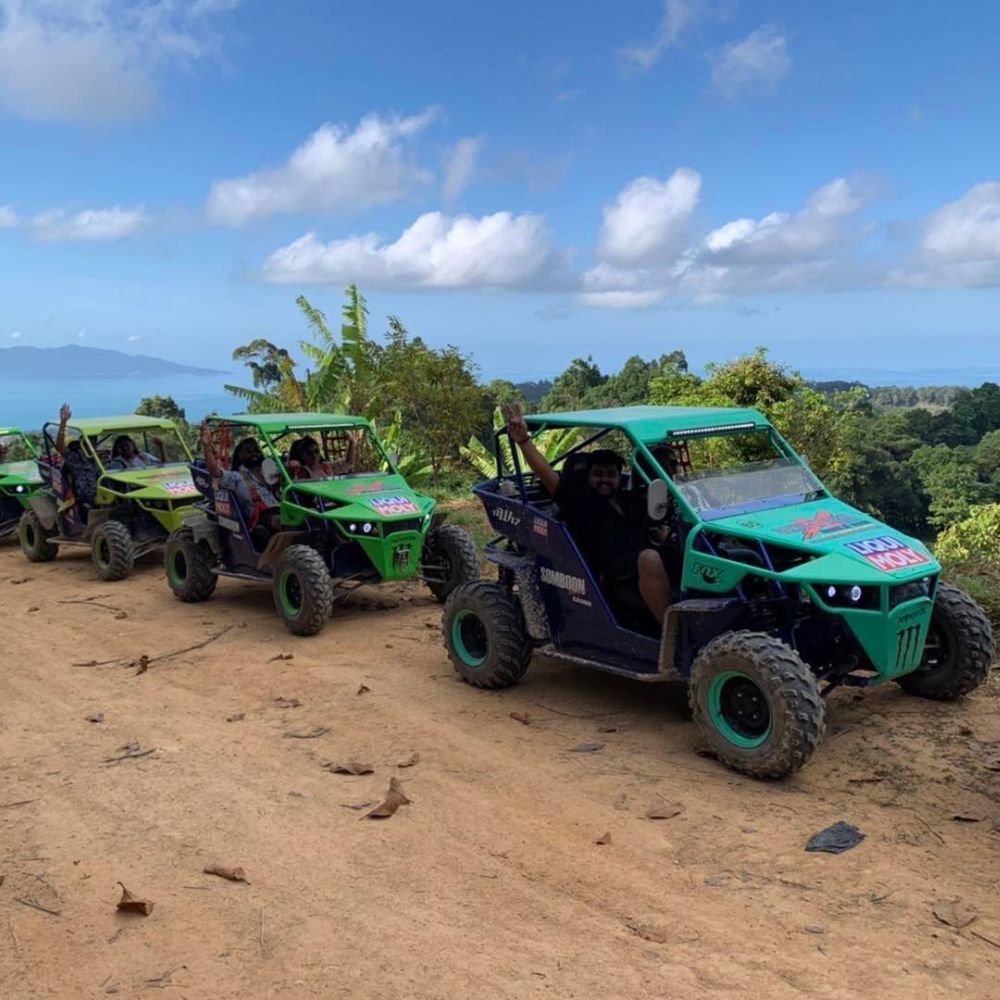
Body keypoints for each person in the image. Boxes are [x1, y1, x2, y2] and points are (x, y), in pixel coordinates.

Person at [506, 403, 673, 624]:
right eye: (598, 474)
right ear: (589, 476)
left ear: (618, 477)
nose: (604, 480)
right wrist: (524, 441)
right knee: (649, 558)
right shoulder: (580, 502)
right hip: (612, 575)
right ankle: (674, 638)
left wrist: (664, 534)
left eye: (610, 475)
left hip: (641, 564)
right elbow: (546, 474)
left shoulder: (631, 499)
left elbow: (653, 522)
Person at [200, 423, 282, 535]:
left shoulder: (266, 471)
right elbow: (215, 473)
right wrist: (207, 447)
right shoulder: (237, 476)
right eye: (249, 451)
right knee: (281, 522)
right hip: (259, 517)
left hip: (280, 508)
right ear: (239, 455)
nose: (254, 454)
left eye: (256, 450)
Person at [54, 403, 99, 513]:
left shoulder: (97, 458)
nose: (92, 445)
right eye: (89, 441)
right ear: (83, 442)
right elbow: (60, 447)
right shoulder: (75, 455)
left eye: (94, 442)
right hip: (83, 495)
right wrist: (63, 423)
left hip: (101, 492)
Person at [287, 433, 357, 480]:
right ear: (302, 456)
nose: (314, 455)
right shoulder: (301, 471)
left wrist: (352, 442)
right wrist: (291, 467)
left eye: (316, 451)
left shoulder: (326, 467)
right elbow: (290, 475)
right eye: (309, 453)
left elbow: (348, 463)